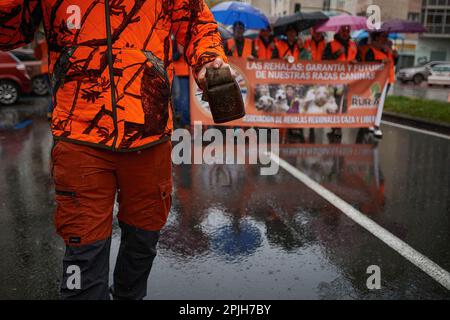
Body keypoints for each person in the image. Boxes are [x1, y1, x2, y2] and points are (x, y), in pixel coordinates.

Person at [0, 0, 228, 300]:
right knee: (83, 249)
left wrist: (208, 59)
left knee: (143, 240)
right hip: (80, 135)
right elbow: (9, 33)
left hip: (149, 132)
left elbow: (197, 22)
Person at [322, 25, 358, 139]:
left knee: (344, 104)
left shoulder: (353, 45)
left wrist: (356, 62)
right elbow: (324, 61)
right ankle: (336, 126)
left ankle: (337, 126)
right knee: (337, 103)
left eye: (347, 31)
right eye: (343, 30)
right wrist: (337, 54)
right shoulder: (331, 45)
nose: (345, 33)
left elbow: (359, 59)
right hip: (335, 79)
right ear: (339, 31)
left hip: (350, 79)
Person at [363, 32, 399, 138]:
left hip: (387, 80)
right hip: (376, 81)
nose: (386, 39)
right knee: (373, 102)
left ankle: (375, 124)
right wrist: (380, 61)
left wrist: (395, 56)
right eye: (384, 37)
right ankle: (371, 123)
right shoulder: (371, 50)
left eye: (386, 37)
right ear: (377, 38)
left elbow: (393, 64)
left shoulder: (387, 50)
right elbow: (368, 65)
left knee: (380, 104)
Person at [172, 39, 191, 128]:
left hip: (187, 71)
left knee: (183, 97)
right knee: (179, 97)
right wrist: (179, 53)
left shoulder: (188, 39)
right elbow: (172, 56)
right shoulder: (174, 40)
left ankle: (184, 121)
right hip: (177, 71)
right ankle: (182, 120)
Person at [34, 34, 52, 119]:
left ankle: (50, 112)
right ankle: (50, 111)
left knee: (52, 92)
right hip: (52, 70)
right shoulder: (54, 42)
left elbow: (37, 56)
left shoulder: (41, 43)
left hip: (45, 70)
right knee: (54, 92)